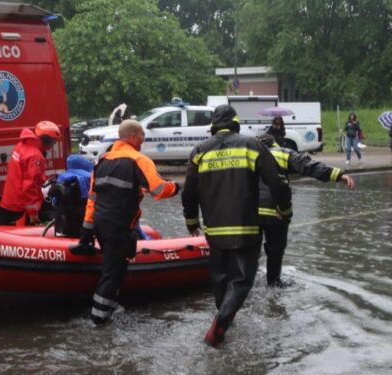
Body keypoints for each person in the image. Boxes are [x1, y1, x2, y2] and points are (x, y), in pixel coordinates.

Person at [181, 105, 292, 347]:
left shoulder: (199, 151)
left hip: (213, 230)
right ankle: (219, 327)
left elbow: (189, 192)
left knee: (221, 278)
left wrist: (191, 221)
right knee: (242, 280)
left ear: (213, 126)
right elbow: (278, 183)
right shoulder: (251, 145)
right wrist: (284, 210)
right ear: (236, 123)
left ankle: (224, 320)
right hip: (245, 228)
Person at [77, 119, 179, 325]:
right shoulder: (139, 160)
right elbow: (158, 190)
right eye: (142, 134)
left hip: (100, 224)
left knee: (113, 269)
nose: (144, 137)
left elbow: (92, 198)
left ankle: (107, 308)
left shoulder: (103, 160)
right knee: (113, 274)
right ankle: (98, 320)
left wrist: (86, 234)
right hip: (119, 227)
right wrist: (176, 187)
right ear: (132, 136)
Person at [257, 134, 355, 288]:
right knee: (275, 250)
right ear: (274, 143)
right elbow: (308, 165)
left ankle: (246, 284)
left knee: (249, 252)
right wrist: (336, 174)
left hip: (249, 214)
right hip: (275, 212)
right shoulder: (281, 152)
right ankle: (273, 283)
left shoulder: (248, 155)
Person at [0, 121, 61, 226]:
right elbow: (30, 186)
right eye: (53, 143)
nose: (52, 147)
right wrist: (33, 212)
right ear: (47, 140)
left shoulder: (21, 145)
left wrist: (41, 177)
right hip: (21, 206)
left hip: (9, 199)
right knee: (19, 239)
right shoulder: (36, 156)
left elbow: (22, 172)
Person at [48, 155, 94, 238]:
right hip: (82, 218)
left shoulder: (62, 177)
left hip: (62, 218)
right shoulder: (88, 176)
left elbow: (54, 201)